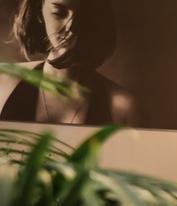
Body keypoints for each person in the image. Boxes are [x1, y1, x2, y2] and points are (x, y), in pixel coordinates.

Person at [0, 0, 134, 126]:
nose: (71, 27)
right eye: (59, 13)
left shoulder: (122, 106)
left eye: (83, 15)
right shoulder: (3, 81)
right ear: (39, 11)